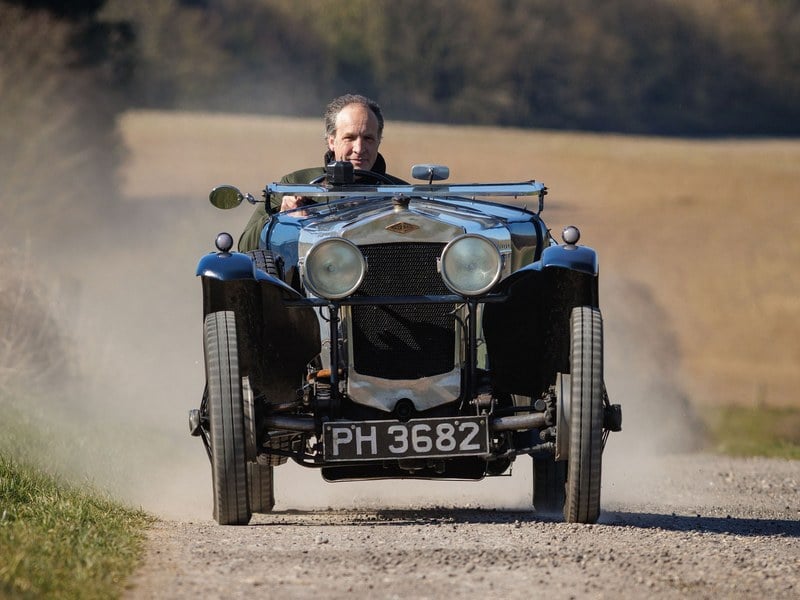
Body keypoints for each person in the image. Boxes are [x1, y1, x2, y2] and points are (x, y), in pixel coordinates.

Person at [238, 94, 405, 252]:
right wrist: (279, 217)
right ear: (331, 141)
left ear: (378, 141)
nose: (359, 149)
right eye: (350, 138)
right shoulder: (295, 183)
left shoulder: (401, 193)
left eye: (368, 138)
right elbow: (246, 247)